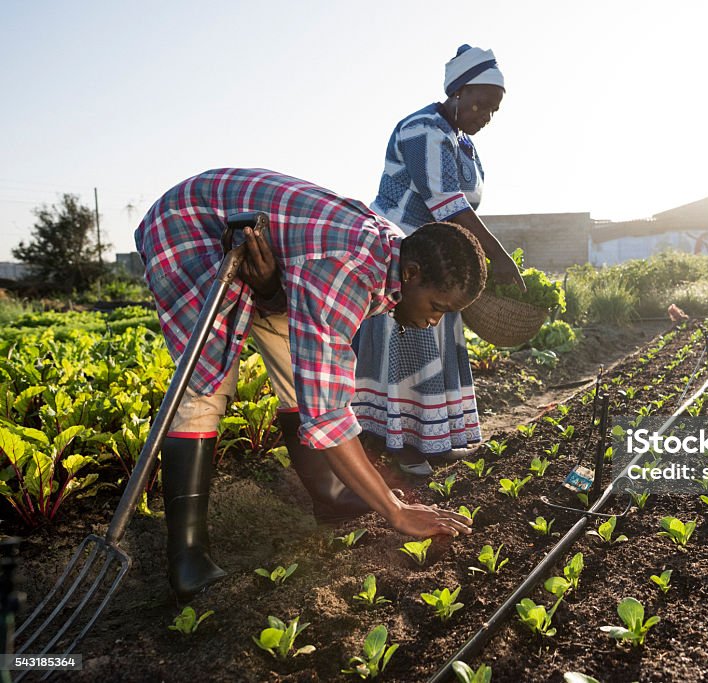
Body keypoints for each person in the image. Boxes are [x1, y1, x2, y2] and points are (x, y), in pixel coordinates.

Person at [134, 168, 478, 600]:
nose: (434, 321)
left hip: (270, 255)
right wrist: (396, 510)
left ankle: (330, 496)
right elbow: (330, 413)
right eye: (437, 306)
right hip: (188, 227)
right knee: (205, 383)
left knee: (301, 377)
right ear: (410, 274)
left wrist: (270, 287)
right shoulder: (346, 270)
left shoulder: (395, 253)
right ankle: (186, 558)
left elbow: (317, 376)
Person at [353, 44, 525, 476]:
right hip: (403, 255)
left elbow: (460, 208)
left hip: (441, 258)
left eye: (494, 110)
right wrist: (497, 256)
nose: (485, 114)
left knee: (435, 344)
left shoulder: (461, 141)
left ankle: (434, 440)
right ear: (458, 92)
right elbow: (447, 202)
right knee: (407, 344)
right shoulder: (422, 129)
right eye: (480, 103)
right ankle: (400, 445)